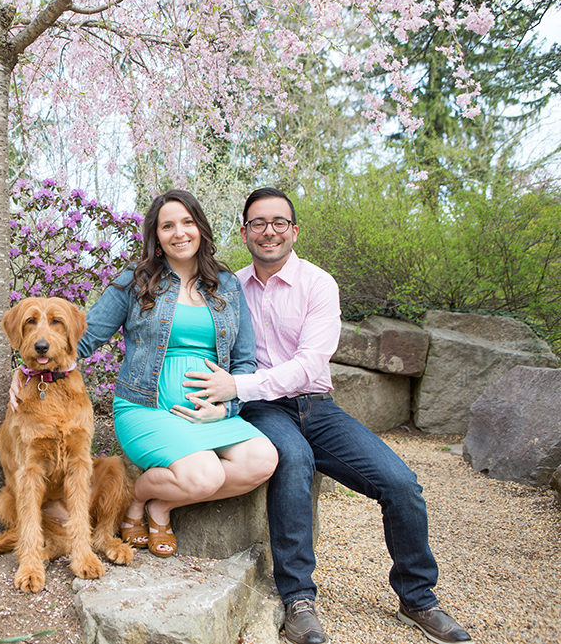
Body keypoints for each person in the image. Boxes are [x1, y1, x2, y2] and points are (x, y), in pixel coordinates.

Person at [182, 187, 471, 644]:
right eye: (258, 223)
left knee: (401, 484)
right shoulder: (231, 288)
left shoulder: (319, 284)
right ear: (244, 232)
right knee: (294, 460)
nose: (268, 231)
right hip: (262, 409)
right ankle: (298, 600)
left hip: (317, 406)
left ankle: (418, 599)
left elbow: (310, 366)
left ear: (293, 231)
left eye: (279, 222)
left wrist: (238, 385)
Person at [76, 188, 278, 557]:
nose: (179, 233)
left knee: (263, 460)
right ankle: (138, 496)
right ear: (156, 236)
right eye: (167, 226)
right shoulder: (135, 282)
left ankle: (154, 503)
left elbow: (245, 361)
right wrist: (30, 370)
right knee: (207, 474)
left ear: (200, 228)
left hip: (212, 416)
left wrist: (227, 407)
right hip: (147, 409)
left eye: (187, 222)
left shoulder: (227, 285)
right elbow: (83, 339)